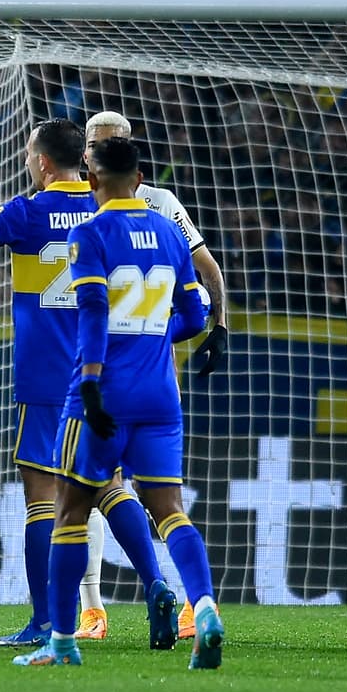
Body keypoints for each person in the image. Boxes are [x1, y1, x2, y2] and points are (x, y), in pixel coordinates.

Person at [0, 119, 171, 650]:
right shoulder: (105, 209)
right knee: (110, 485)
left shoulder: (24, 211)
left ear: (42, 162)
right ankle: (157, 584)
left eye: (27, 154)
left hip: (48, 379)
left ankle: (44, 620)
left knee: (42, 499)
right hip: (106, 371)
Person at [13, 137, 224, 669]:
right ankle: (203, 607)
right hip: (160, 395)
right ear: (139, 175)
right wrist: (156, 335)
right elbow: (196, 314)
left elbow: (91, 311)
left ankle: (61, 643)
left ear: (93, 176)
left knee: (69, 511)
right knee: (171, 512)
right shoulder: (173, 235)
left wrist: (88, 381)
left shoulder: (93, 231)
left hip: (101, 395)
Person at [74, 111, 230, 642]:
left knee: (85, 493)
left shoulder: (154, 206)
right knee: (149, 500)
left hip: (105, 373)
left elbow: (207, 268)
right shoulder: (73, 201)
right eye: (96, 144)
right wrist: (202, 326)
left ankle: (144, 599)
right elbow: (194, 295)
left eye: (111, 144)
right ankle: (102, 606)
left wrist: (220, 324)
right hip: (143, 377)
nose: (100, 153)